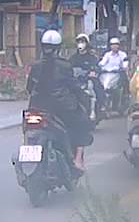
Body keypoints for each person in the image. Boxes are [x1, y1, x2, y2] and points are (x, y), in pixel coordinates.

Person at [26, 30, 93, 170]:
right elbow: (73, 87)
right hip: (62, 108)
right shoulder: (65, 65)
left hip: (37, 107)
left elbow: (29, 88)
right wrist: (82, 96)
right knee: (82, 122)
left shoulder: (36, 66)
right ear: (58, 47)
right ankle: (78, 159)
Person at [70, 33, 103, 106]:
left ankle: (99, 105)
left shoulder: (92, 57)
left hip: (88, 80)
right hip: (75, 81)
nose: (80, 44)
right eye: (78, 42)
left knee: (95, 85)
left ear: (87, 44)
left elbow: (96, 68)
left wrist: (93, 72)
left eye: (82, 42)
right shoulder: (73, 58)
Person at [98, 36, 130, 112]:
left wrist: (124, 67)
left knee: (125, 80)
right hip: (108, 75)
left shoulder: (122, 54)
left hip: (119, 74)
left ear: (119, 46)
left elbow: (125, 64)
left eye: (116, 44)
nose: (114, 46)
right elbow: (102, 62)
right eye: (112, 44)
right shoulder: (107, 55)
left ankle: (125, 96)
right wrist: (99, 65)